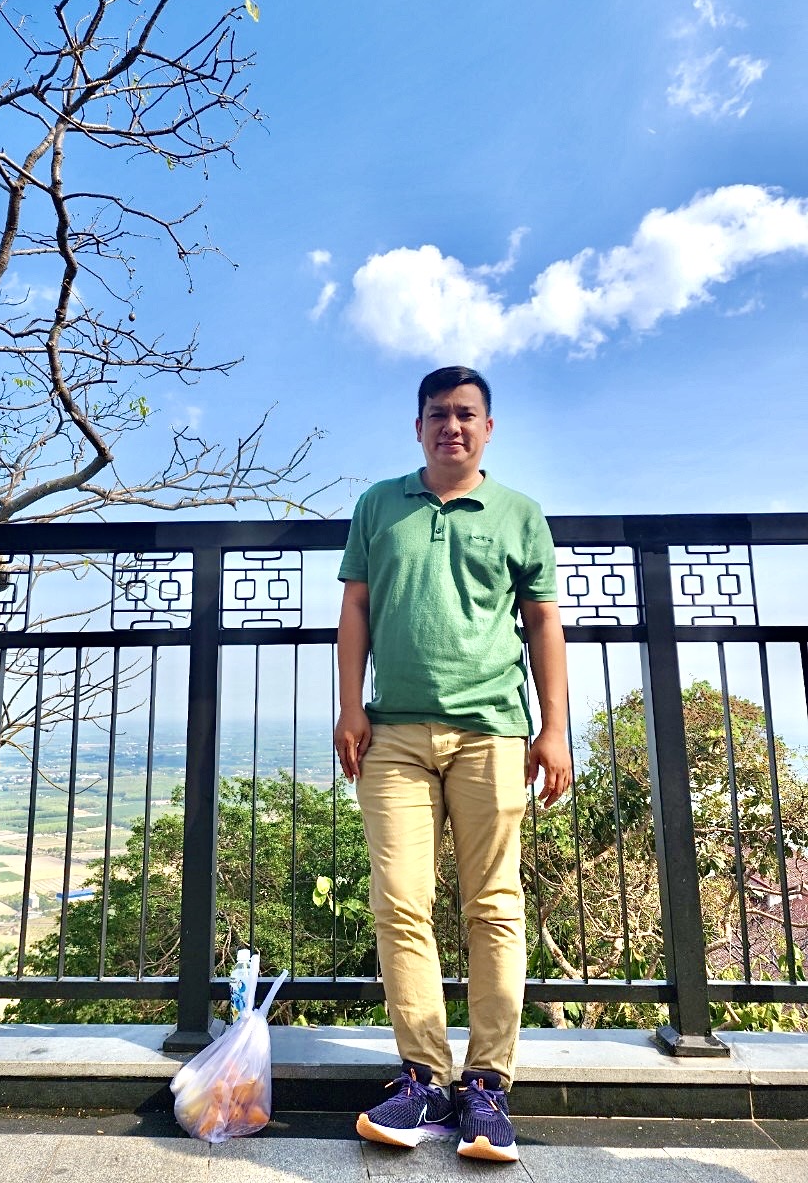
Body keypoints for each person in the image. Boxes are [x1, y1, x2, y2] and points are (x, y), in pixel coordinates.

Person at [334, 365, 571, 1163]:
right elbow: (356, 606)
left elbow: (543, 624)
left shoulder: (519, 514)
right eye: (438, 414)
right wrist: (350, 706)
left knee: (493, 906)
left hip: (492, 733)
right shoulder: (379, 505)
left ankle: (488, 1086)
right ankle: (424, 1079)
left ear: (488, 428)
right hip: (392, 735)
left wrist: (554, 729)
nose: (452, 426)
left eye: (467, 414)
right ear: (418, 426)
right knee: (400, 902)